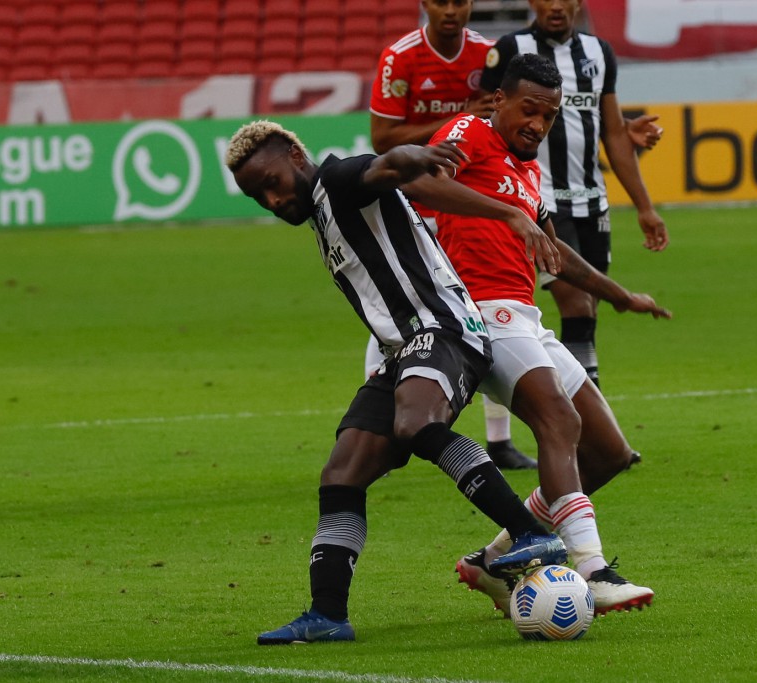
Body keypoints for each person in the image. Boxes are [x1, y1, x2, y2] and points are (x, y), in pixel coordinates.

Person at [225, 120, 567, 644]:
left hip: (444, 329)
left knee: (415, 423)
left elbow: (386, 164)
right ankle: (327, 615)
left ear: (296, 156)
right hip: (402, 352)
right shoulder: (321, 212)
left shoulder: (336, 179)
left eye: (272, 182)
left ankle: (530, 534)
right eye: (257, 196)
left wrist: (419, 154)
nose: (271, 200)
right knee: (341, 472)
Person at [405, 53, 669, 616]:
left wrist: (619, 295)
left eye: (548, 117)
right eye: (529, 110)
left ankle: (494, 557)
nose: (537, 125)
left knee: (609, 452)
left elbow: (554, 249)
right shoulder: (469, 132)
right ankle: (592, 570)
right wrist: (505, 214)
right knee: (561, 421)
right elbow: (422, 181)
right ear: (499, 100)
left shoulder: (528, 170)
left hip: (525, 316)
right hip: (478, 313)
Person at [367, 0, 538, 470]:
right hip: (414, 208)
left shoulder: (488, 55)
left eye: (460, 1)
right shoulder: (400, 57)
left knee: (484, 305)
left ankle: (499, 440)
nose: (451, 11)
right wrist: (454, 120)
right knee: (404, 306)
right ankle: (379, 411)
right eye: (440, 1)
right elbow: (383, 139)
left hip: (467, 207)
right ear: (425, 5)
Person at [479, 0, 669, 411]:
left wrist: (645, 207)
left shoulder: (600, 53)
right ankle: (589, 418)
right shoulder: (512, 48)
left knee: (586, 316)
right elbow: (485, 118)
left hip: (591, 201)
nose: (557, 6)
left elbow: (614, 133)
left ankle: (583, 415)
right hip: (540, 200)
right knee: (577, 303)